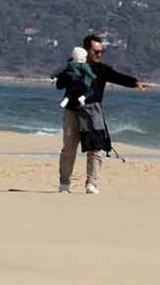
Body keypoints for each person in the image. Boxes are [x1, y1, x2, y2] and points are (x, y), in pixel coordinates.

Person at [55, 34, 150, 194]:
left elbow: (118, 77)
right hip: (72, 111)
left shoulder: (102, 69)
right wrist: (70, 73)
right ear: (86, 50)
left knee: (96, 149)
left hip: (93, 112)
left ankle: (91, 184)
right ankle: (64, 184)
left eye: (101, 51)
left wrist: (135, 82)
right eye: (96, 51)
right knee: (69, 149)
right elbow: (59, 85)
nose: (99, 54)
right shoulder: (72, 67)